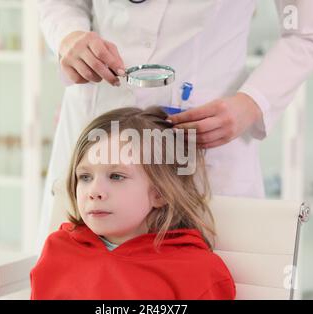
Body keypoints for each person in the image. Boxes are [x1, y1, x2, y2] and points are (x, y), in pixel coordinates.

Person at [36, 0, 313, 251]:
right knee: (73, 274)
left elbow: (307, 34)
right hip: (97, 121)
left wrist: (252, 103)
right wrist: (69, 35)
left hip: (204, 139)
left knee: (204, 277)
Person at [30, 106, 236, 299]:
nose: (94, 192)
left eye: (116, 176)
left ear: (160, 192)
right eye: (85, 177)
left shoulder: (196, 270)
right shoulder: (59, 249)